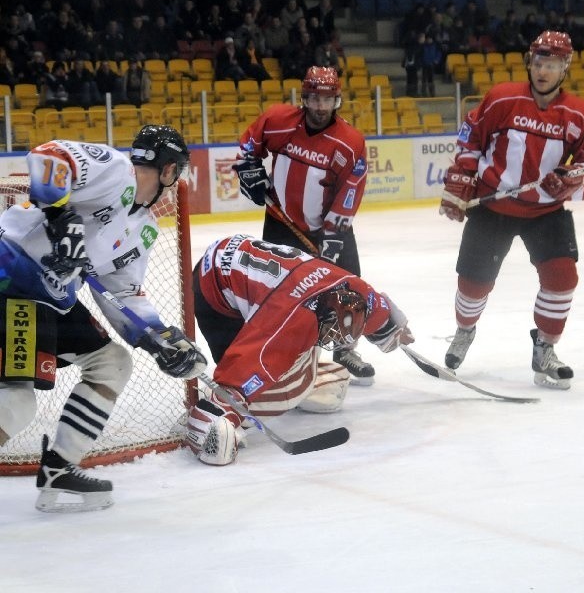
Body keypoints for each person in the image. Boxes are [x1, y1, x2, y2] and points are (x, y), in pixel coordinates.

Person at [0, 125, 207, 512]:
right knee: (15, 402)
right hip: (12, 273)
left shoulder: (143, 230)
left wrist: (161, 337)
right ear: (168, 171)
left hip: (50, 298)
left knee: (111, 363)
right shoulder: (114, 170)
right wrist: (61, 217)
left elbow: (123, 293)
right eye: (177, 170)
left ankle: (59, 467)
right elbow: (48, 156)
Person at [439, 31, 584, 390]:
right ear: (530, 63)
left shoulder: (581, 113)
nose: (543, 71)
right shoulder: (502, 98)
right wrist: (461, 176)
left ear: (565, 68)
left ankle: (545, 348)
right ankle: (464, 331)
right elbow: (470, 137)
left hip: (546, 211)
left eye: (552, 65)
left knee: (562, 278)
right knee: (473, 284)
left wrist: (571, 180)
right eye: (539, 63)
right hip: (494, 204)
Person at [186, 234, 414, 465]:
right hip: (213, 290)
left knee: (309, 376)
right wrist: (222, 407)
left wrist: (387, 327)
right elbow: (256, 361)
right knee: (287, 390)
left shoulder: (350, 287)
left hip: (237, 260)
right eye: (331, 330)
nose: (332, 337)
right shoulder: (291, 321)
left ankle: (305, 380)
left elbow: (374, 304)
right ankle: (209, 402)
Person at [232, 66, 373, 385]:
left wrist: (334, 237)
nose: (320, 107)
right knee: (283, 294)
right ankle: (283, 356)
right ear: (304, 98)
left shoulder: (350, 142)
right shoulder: (278, 121)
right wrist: (250, 172)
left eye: (327, 100)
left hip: (328, 228)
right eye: (314, 99)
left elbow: (351, 190)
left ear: (337, 100)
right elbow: (248, 147)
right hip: (282, 224)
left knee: (348, 288)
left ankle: (345, 348)